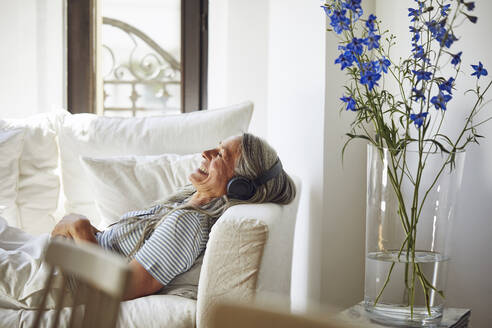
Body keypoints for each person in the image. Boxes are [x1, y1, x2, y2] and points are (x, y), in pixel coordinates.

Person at [51, 133, 296, 300]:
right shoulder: (187, 201)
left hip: (58, 278)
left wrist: (80, 227)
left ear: (238, 187)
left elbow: (123, 287)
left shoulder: (190, 222)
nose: (206, 153)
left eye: (221, 155)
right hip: (60, 261)